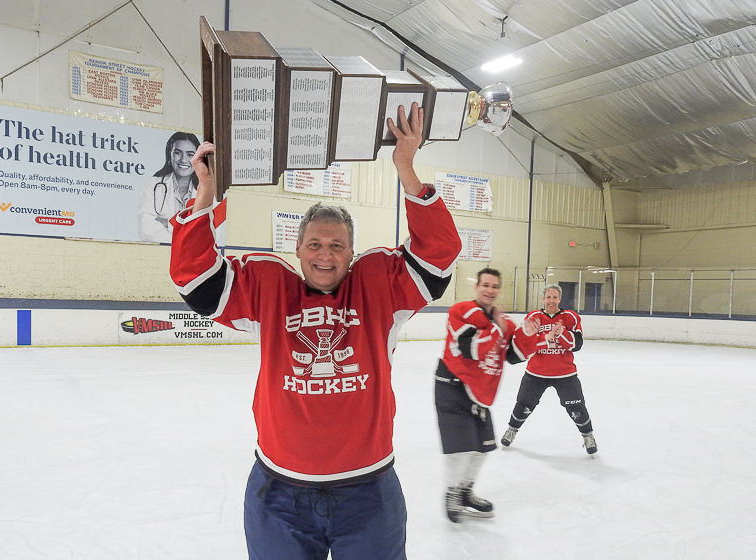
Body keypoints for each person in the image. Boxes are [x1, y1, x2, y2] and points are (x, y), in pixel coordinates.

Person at [169, 102, 460, 559]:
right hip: (278, 495)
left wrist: (406, 168)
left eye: (337, 245)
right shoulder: (268, 288)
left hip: (368, 494)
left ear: (351, 251)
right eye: (315, 244)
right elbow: (193, 278)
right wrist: (207, 194)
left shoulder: (379, 288)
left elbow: (439, 255)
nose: (326, 255)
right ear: (299, 249)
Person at [434, 268, 537, 522]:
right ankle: (451, 495)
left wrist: (528, 335)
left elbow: (513, 355)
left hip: (478, 393)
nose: (490, 290)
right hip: (452, 386)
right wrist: (497, 328)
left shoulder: (504, 322)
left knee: (482, 446)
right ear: (477, 287)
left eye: (494, 286)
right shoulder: (461, 311)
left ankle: (465, 491)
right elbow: (472, 349)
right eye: (486, 285)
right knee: (460, 449)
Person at [500, 284, 598, 454]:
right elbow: (527, 344)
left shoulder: (571, 317)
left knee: (577, 407)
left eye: (554, 297)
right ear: (543, 299)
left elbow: (577, 345)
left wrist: (562, 333)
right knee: (523, 404)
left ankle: (588, 436)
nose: (551, 301)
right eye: (548, 297)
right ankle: (512, 430)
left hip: (565, 373)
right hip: (536, 373)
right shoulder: (534, 317)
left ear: (560, 299)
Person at [138, 131, 200, 243]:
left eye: (190, 154)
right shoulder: (154, 185)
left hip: (193, 259)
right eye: (177, 153)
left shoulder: (207, 190)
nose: (183, 160)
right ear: (169, 155)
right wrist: (187, 237)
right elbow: (146, 230)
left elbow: (209, 234)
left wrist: (168, 223)